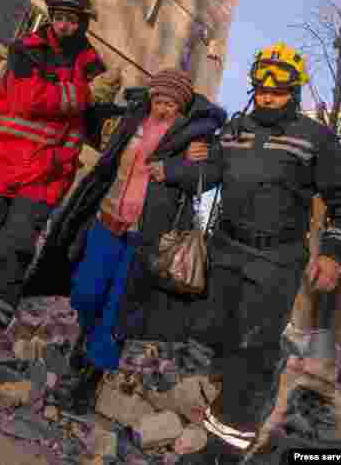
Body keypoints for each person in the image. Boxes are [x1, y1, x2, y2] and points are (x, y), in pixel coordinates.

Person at [178, 42, 341, 462]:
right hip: (226, 250)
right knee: (225, 341)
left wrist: (333, 253)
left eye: (278, 92)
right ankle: (220, 417)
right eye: (261, 90)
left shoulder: (312, 137)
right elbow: (211, 173)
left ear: (294, 92)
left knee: (254, 350)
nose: (267, 97)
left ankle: (224, 450)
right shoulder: (235, 129)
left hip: (275, 260)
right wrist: (191, 160)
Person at [39, 69, 227, 415]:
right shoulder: (131, 121)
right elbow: (103, 146)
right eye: (159, 100)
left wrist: (176, 170)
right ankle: (83, 345)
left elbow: (211, 176)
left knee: (118, 309)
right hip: (106, 221)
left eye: (171, 103)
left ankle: (85, 380)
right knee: (86, 290)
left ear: (182, 107)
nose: (163, 107)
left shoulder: (197, 138)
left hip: (146, 237)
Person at [0, 0, 108, 379]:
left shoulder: (94, 68)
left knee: (14, 252)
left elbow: (99, 125)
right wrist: (86, 95)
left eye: (72, 19)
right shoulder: (25, 50)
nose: (64, 25)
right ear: (50, 16)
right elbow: (27, 100)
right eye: (59, 17)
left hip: (44, 179)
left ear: (84, 22)